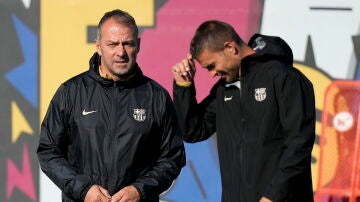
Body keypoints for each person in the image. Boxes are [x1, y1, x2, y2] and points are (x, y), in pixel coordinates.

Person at [37, 9, 185, 202]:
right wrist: (84, 190)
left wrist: (140, 190)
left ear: (138, 45)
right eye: (113, 44)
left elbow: (172, 158)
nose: (121, 52)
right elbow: (49, 151)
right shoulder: (70, 92)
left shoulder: (157, 97)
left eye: (128, 44)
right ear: (98, 46)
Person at [171, 20, 315, 202]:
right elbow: (193, 131)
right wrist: (183, 85)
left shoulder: (284, 78)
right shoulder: (224, 90)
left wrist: (273, 195)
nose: (211, 74)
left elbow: (299, 144)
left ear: (230, 48)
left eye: (211, 65)